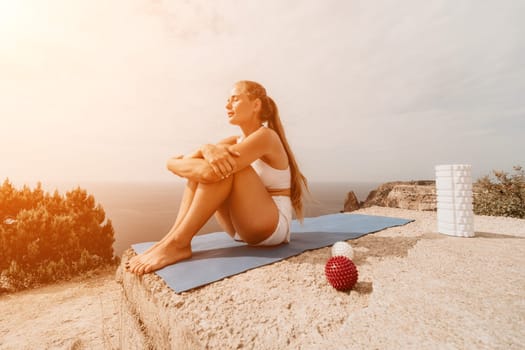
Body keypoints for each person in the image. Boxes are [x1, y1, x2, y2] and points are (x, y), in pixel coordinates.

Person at [126, 80, 308, 275]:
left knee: (226, 167)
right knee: (213, 164)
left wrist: (175, 163)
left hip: (272, 226)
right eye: (227, 100)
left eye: (235, 99)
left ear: (256, 105)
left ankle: (178, 243)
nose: (227, 105)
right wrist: (205, 149)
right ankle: (171, 240)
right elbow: (197, 167)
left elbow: (209, 171)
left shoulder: (267, 137)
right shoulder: (232, 142)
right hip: (240, 226)